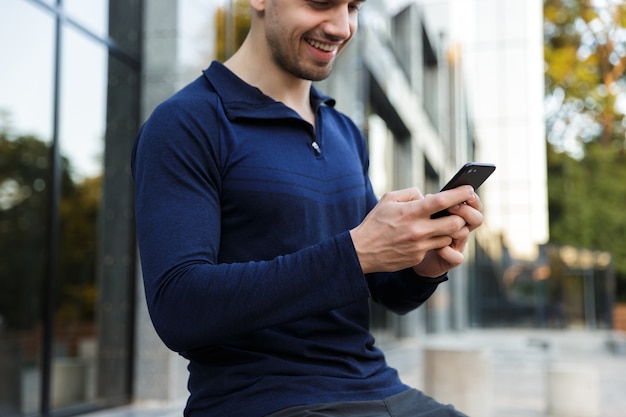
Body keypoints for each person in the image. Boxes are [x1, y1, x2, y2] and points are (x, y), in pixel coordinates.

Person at [131, 0, 484, 416]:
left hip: (378, 387)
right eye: (321, 3)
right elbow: (179, 308)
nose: (341, 26)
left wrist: (424, 263)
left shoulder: (344, 131)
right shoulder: (185, 124)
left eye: (353, 7)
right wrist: (358, 252)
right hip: (262, 401)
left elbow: (384, 289)